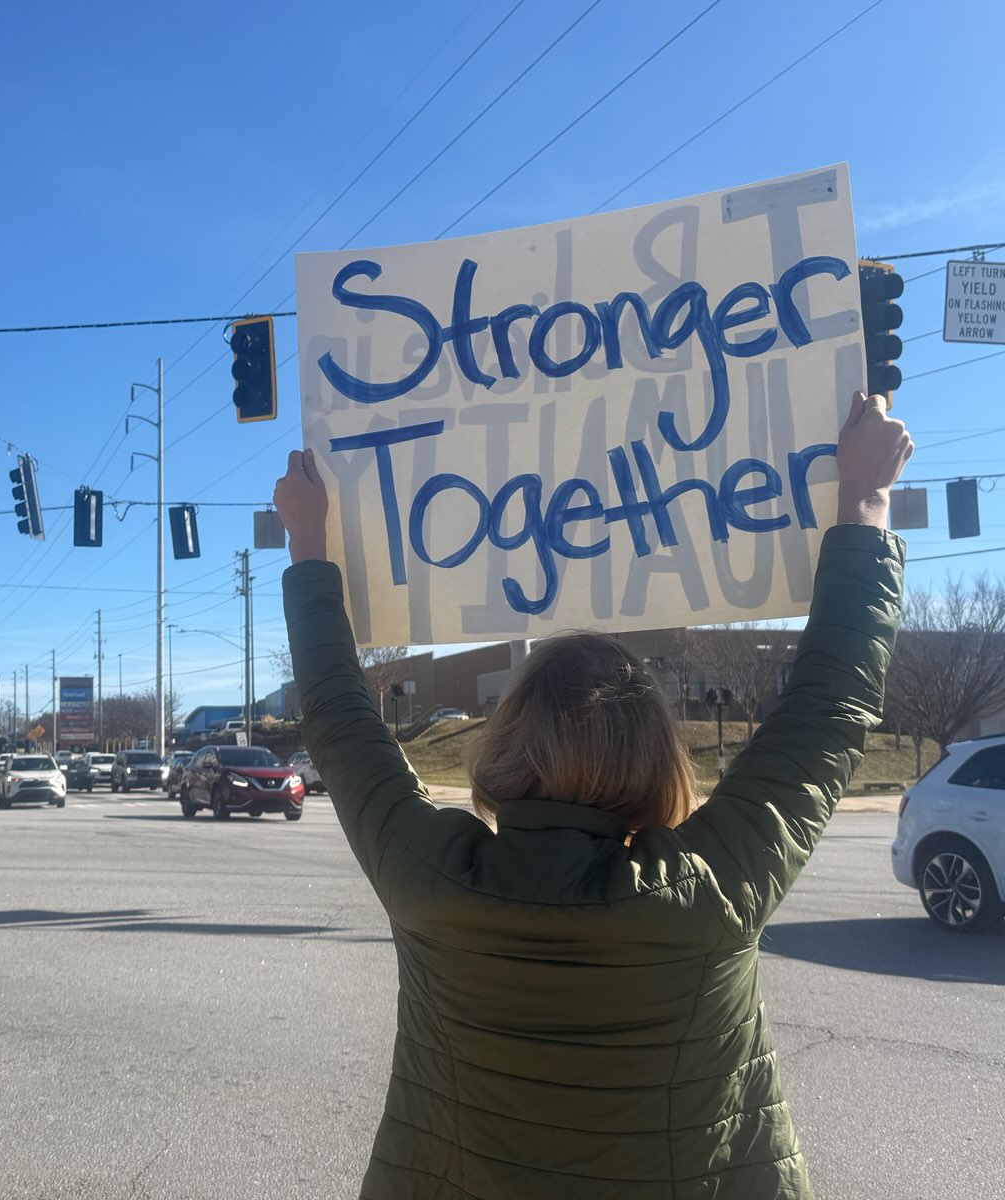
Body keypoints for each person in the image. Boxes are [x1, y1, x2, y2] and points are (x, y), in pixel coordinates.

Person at [274, 392, 912, 1200]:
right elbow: (828, 710)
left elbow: (336, 717)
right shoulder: (709, 890)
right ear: (653, 759)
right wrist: (863, 501)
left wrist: (308, 539)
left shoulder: (427, 876)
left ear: (503, 748)